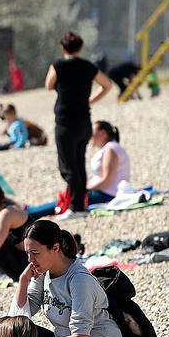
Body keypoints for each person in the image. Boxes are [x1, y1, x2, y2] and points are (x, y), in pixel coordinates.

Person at [45, 32, 113, 212]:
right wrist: (90, 99)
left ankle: (76, 207)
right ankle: (80, 203)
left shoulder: (58, 65)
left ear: (62, 48)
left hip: (65, 122)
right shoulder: (88, 66)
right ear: (80, 48)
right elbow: (107, 85)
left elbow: (48, 85)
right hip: (84, 121)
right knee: (79, 164)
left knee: (67, 166)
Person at [84, 121, 131, 202]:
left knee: (64, 203)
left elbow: (107, 180)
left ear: (103, 134)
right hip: (105, 192)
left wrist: (85, 189)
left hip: (108, 194)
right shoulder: (110, 148)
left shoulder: (111, 149)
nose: (90, 136)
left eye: (92, 133)